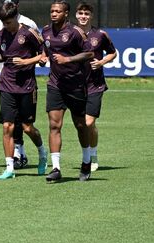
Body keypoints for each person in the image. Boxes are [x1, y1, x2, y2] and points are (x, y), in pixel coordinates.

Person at [0, 1, 47, 179]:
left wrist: (26, 62)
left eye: (8, 22)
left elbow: (44, 56)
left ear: (15, 17)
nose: (5, 26)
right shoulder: (1, 34)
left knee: (27, 127)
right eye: (3, 22)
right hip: (6, 85)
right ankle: (10, 168)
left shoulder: (29, 32)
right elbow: (4, 55)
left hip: (26, 86)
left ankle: (42, 154)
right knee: (7, 126)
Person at [41, 0, 94, 182]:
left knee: (80, 125)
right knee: (54, 125)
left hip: (76, 86)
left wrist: (68, 59)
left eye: (57, 11)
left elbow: (89, 54)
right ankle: (56, 168)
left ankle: (86, 161)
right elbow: (46, 51)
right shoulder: (46, 31)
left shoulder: (75, 32)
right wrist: (42, 57)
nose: (53, 14)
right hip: (55, 85)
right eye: (52, 11)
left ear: (66, 14)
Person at [0, 0, 38, 168]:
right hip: (4, 80)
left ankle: (31, 151)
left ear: (17, 5)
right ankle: (15, 157)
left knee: (25, 124)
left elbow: (41, 53)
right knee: (9, 122)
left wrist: (26, 61)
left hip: (25, 82)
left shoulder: (29, 24)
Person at [75, 2, 117, 174]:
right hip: (76, 86)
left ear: (91, 16)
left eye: (86, 13)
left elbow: (113, 53)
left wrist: (101, 62)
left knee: (89, 122)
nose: (83, 16)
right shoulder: (70, 33)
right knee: (83, 125)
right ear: (76, 15)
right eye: (80, 13)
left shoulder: (100, 35)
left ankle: (92, 156)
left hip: (95, 85)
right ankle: (89, 153)